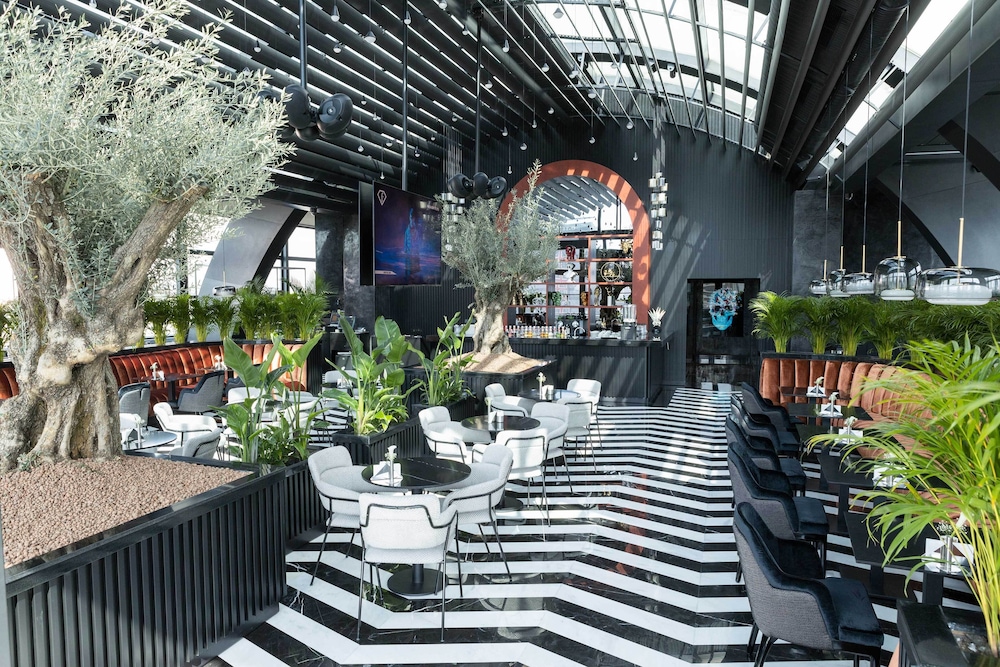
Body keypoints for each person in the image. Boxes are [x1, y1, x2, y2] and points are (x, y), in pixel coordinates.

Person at [404, 207, 422, 280]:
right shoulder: (407, 230)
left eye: (412, 218)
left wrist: (417, 253)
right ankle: (409, 277)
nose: (411, 219)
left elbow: (417, 243)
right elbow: (406, 242)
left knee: (414, 270)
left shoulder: (415, 231)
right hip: (409, 254)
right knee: (409, 270)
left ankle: (412, 276)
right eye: (410, 217)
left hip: (414, 254)